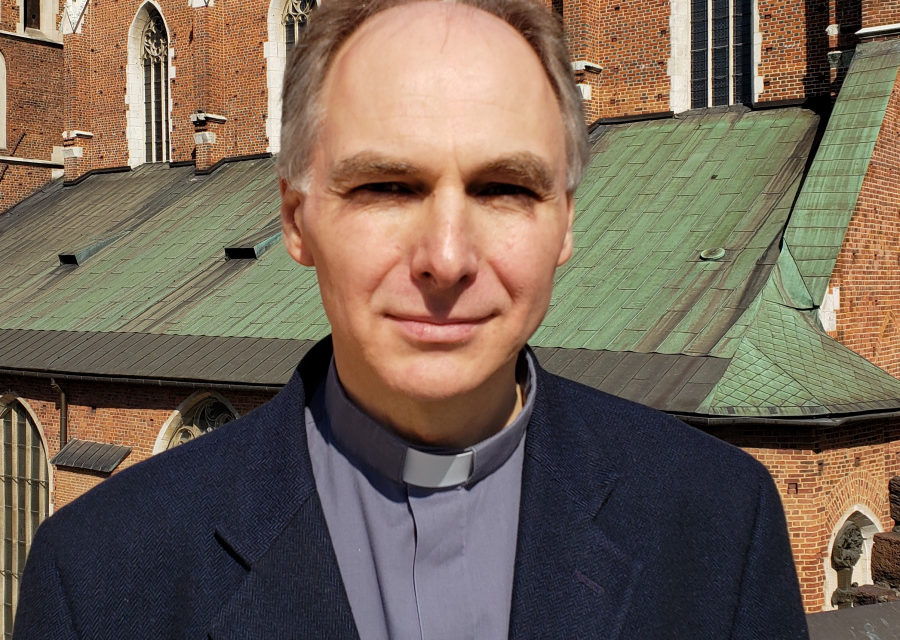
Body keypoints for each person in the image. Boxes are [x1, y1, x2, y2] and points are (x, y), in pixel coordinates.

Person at [14, 0, 809, 638]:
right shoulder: (101, 577)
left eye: (505, 188)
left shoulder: (717, 523)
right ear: (294, 219)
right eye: (387, 188)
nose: (447, 258)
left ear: (566, 223)